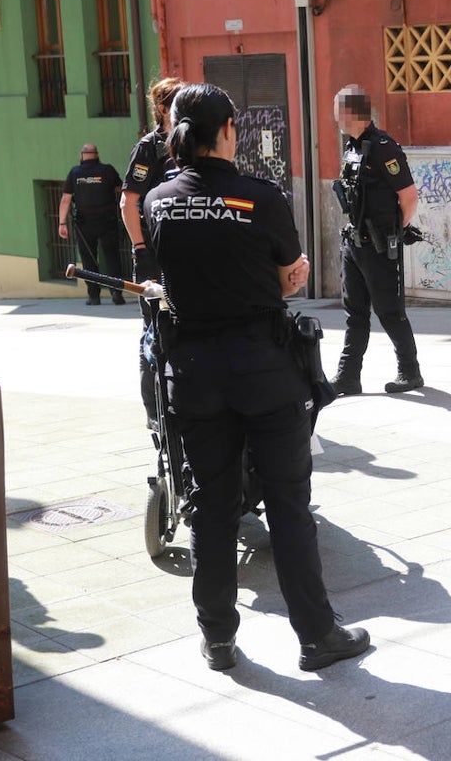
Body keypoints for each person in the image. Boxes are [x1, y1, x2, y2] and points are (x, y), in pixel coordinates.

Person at [143, 82, 368, 672]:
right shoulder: (260, 197)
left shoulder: (158, 200)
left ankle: (217, 638)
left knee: (211, 507)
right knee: (289, 505)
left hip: (193, 371)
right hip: (263, 366)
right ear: (226, 132)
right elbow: (291, 277)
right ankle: (317, 636)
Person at [329, 84, 424, 396]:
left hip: (379, 243)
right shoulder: (352, 146)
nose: (335, 117)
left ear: (353, 112)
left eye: (338, 110)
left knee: (389, 311)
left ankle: (410, 372)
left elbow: (409, 197)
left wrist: (395, 229)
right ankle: (347, 377)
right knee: (354, 313)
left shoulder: (383, 147)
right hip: (354, 242)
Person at [121, 76, 184, 430]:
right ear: (162, 108)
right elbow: (127, 201)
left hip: (183, 254)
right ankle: (155, 412)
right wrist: (141, 249)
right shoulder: (150, 148)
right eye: (177, 102)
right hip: (153, 257)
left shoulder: (189, 144)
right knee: (155, 333)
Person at [58, 143, 125, 305]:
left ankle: (94, 296)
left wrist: (61, 223)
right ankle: (116, 293)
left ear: (82, 155)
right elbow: (122, 189)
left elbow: (66, 199)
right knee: (112, 257)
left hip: (84, 224)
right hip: (107, 221)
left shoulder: (75, 173)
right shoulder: (108, 170)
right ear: (96, 155)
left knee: (88, 260)